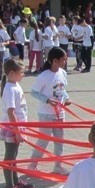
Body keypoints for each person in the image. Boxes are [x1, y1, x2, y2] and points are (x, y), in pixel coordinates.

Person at [28, 47, 72, 175]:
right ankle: (32, 165)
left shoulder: (62, 73)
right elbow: (34, 92)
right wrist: (47, 101)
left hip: (59, 113)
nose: (65, 62)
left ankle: (58, 166)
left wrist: (66, 98)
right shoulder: (44, 76)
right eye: (63, 60)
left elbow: (62, 89)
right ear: (55, 61)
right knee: (43, 140)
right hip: (46, 114)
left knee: (60, 140)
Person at [0, 58, 34, 188]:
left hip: (17, 125)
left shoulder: (15, 85)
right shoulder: (9, 89)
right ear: (12, 73)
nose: (23, 75)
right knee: (10, 157)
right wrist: (17, 131)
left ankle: (15, 181)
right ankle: (9, 186)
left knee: (14, 157)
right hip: (13, 127)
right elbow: (10, 112)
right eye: (22, 72)